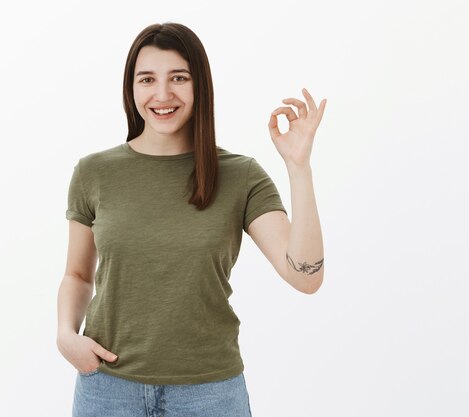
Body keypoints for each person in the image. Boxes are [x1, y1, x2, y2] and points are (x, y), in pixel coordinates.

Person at [56, 22, 326, 417]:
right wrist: (66, 336)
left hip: (210, 393)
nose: (162, 94)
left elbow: (305, 276)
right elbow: (77, 275)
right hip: (108, 388)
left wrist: (298, 167)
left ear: (200, 84)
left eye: (178, 78)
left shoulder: (240, 175)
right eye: (147, 79)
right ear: (131, 89)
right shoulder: (94, 173)